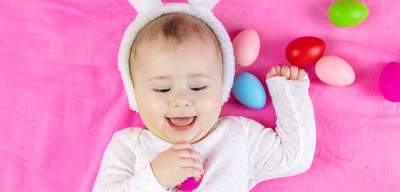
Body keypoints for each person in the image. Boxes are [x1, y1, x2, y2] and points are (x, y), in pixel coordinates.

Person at [92, 12, 316, 191]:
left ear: (222, 88)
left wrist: (289, 94)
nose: (181, 100)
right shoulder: (129, 146)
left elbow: (294, 158)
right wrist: (155, 177)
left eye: (198, 87)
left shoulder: (237, 136)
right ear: (135, 95)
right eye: (162, 89)